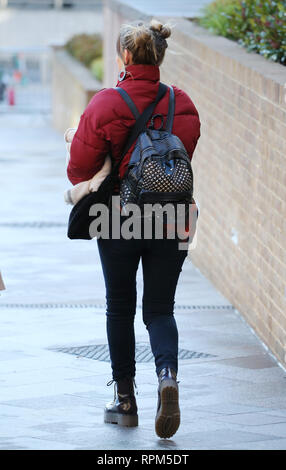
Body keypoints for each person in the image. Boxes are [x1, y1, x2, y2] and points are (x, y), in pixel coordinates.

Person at [67, 19, 201, 439]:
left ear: (126, 56)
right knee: (161, 309)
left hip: (118, 216)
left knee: (120, 307)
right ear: (160, 55)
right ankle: (168, 377)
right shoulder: (184, 103)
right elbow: (182, 153)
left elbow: (78, 169)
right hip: (173, 217)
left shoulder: (107, 103)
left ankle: (125, 401)